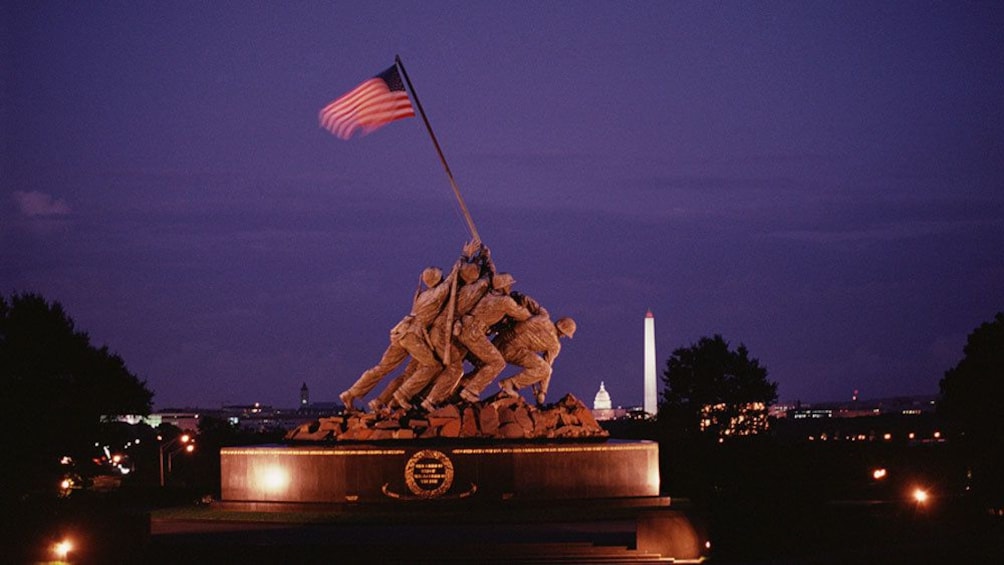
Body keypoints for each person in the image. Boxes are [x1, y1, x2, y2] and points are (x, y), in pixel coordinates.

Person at [339, 245, 471, 410]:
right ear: (438, 279)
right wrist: (465, 255)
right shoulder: (436, 295)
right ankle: (403, 394)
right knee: (433, 366)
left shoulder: (422, 294)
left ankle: (351, 393)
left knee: (382, 368)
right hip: (412, 335)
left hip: (400, 331)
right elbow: (453, 278)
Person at [454, 272, 531, 403]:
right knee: (497, 362)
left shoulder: (488, 295)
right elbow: (524, 315)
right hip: (474, 332)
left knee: (481, 363)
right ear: (503, 286)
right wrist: (526, 303)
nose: (510, 288)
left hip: (466, 329)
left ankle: (459, 387)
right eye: (508, 286)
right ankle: (470, 391)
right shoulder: (504, 301)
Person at [496, 312, 576, 406]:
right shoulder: (555, 345)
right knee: (545, 369)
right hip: (511, 351)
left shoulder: (543, 319)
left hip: (500, 342)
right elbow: (547, 367)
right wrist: (542, 392)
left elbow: (524, 324)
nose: (564, 336)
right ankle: (509, 384)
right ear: (564, 332)